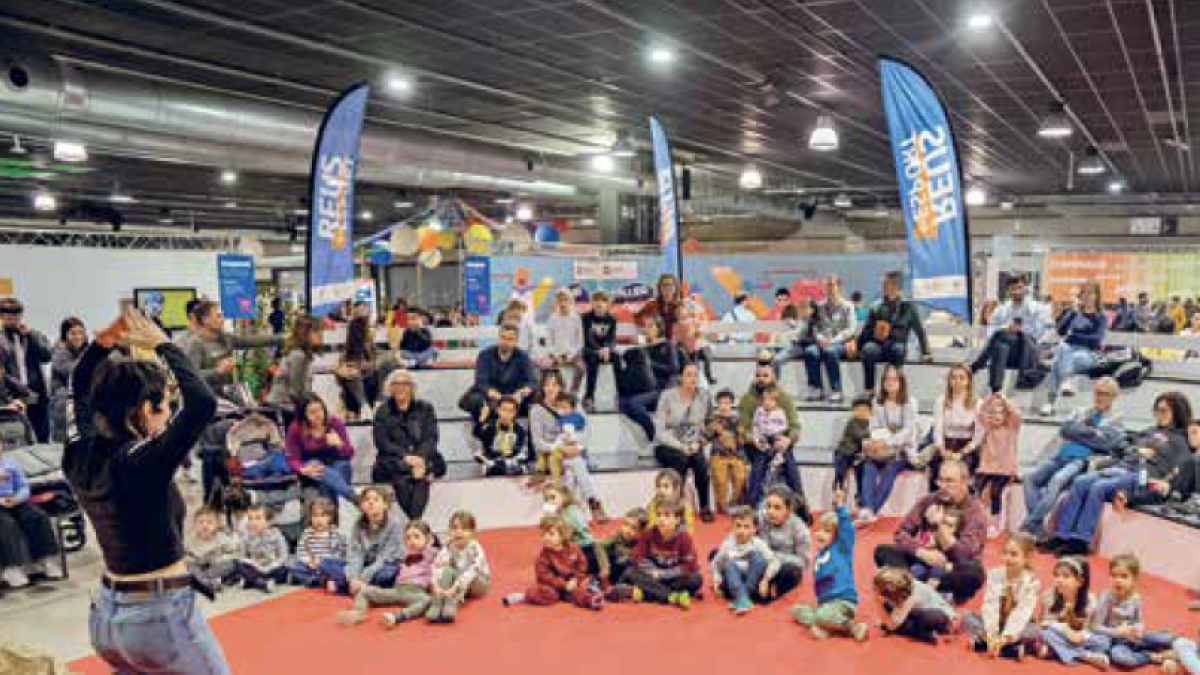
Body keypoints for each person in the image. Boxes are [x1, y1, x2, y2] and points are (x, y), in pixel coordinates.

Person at [64, 308, 228, 673]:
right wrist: (164, 345)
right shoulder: (142, 463)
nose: (168, 415)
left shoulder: (77, 452)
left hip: (107, 620)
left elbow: (78, 383)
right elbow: (202, 403)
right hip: (159, 619)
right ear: (143, 408)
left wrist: (102, 344)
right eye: (165, 406)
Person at [1045, 392, 1193, 556]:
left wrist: (1165, 482)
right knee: (1081, 481)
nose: (1159, 414)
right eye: (1157, 410)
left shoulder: (1180, 440)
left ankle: (1080, 541)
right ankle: (1061, 536)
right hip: (1122, 468)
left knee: (1099, 488)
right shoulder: (1148, 431)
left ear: (1177, 412)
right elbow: (1124, 447)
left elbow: (1180, 471)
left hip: (1142, 478)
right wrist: (1134, 450)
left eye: (1164, 411)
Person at [874, 459, 988, 605]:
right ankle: (913, 587)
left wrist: (939, 526)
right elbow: (901, 533)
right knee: (883, 551)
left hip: (951, 567)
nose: (943, 486)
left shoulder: (975, 511)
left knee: (974, 573)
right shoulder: (928, 500)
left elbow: (963, 553)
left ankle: (916, 588)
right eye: (940, 480)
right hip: (923, 560)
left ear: (965, 482)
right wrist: (922, 553)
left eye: (950, 481)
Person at [1022, 377, 1124, 538]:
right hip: (1061, 455)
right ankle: (1037, 526)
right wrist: (1091, 433)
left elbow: (1106, 444)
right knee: (1029, 478)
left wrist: (1078, 432)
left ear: (1113, 396)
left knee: (1056, 481)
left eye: (1104, 394)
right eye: (1097, 393)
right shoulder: (1081, 411)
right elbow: (1065, 430)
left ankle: (1029, 524)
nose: (1099, 397)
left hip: (1081, 461)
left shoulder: (1116, 420)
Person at [792, 489, 869, 641]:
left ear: (837, 537)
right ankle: (825, 626)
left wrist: (840, 505)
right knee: (797, 611)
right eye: (819, 530)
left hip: (843, 604)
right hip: (825, 604)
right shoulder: (819, 556)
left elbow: (846, 529)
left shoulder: (841, 549)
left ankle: (853, 627)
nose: (820, 534)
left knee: (821, 615)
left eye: (827, 531)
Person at [338, 519, 439, 626]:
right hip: (397, 590)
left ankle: (398, 616)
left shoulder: (430, 553)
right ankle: (358, 613)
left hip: (415, 592)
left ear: (428, 539)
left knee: (427, 600)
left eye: (416, 536)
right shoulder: (405, 554)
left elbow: (445, 554)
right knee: (365, 591)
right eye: (408, 538)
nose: (412, 541)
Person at [372, 369, 443, 519]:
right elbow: (381, 442)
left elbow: (431, 437)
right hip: (393, 459)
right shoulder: (382, 411)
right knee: (401, 478)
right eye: (396, 384)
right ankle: (416, 524)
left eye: (405, 384)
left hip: (422, 458)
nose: (400, 387)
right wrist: (406, 457)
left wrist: (420, 459)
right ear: (390, 388)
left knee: (421, 477)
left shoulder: (425, 408)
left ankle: (414, 526)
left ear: (412, 388)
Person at [1092, 553, 1180, 669]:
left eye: (1124, 576)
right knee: (1121, 658)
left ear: (1134, 579)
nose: (1118, 580)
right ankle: (1152, 656)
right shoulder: (1106, 597)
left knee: (1164, 638)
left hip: (1134, 638)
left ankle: (1181, 647)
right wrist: (1116, 632)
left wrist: (1138, 629)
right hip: (1116, 642)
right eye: (1114, 575)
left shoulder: (1135, 597)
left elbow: (1139, 621)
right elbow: (1095, 627)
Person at [184, 299, 282, 402]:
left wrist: (285, 338)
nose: (223, 319)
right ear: (205, 320)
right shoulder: (195, 343)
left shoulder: (225, 338)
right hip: (207, 400)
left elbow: (253, 341)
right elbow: (190, 377)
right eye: (218, 316)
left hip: (227, 397)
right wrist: (217, 371)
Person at [962, 533, 1040, 660]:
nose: (1007, 558)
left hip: (1017, 626)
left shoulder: (1031, 582)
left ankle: (983, 644)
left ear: (1027, 557)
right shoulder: (995, 574)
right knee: (968, 618)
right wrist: (992, 634)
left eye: (1014, 554)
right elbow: (990, 605)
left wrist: (1005, 638)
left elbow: (1022, 613)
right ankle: (1009, 650)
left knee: (1035, 630)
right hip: (995, 623)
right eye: (1005, 553)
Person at [502, 515, 604, 611]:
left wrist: (576, 579)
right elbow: (545, 577)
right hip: (552, 585)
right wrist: (563, 584)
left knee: (579, 592)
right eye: (543, 534)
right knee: (549, 595)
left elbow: (582, 565)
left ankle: (591, 600)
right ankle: (524, 596)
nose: (546, 537)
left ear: (562, 535)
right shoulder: (542, 558)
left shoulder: (574, 549)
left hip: (572, 582)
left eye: (551, 534)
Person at [653, 362, 714, 522]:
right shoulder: (667, 396)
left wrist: (699, 443)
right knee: (681, 458)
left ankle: (705, 506)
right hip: (667, 444)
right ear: (680, 377)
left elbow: (710, 424)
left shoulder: (704, 396)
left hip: (693, 443)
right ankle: (677, 507)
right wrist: (681, 446)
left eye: (695, 375)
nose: (693, 379)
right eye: (689, 375)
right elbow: (659, 432)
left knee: (700, 461)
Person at [859, 365, 918, 522]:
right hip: (882, 449)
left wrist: (886, 442)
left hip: (903, 449)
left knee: (890, 469)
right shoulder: (878, 402)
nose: (890, 383)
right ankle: (866, 508)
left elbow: (908, 432)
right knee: (868, 465)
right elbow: (873, 427)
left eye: (894, 379)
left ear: (901, 382)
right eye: (887, 379)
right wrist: (876, 442)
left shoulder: (909, 403)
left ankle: (872, 509)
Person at [971, 275, 1050, 394]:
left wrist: (1021, 330)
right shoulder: (1001, 309)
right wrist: (1006, 328)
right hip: (1007, 355)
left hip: (1026, 353)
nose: (1016, 291)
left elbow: (1039, 333)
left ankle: (976, 366)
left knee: (1002, 337)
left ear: (1026, 289)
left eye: (1019, 287)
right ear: (1009, 290)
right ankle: (996, 390)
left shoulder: (1037, 308)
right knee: (1000, 345)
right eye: (1013, 288)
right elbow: (990, 332)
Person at [857, 271, 932, 394]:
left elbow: (919, 330)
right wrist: (858, 346)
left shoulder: (908, 307)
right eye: (883, 284)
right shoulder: (877, 306)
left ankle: (895, 389)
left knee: (898, 349)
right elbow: (867, 329)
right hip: (879, 345)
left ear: (896, 286)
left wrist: (926, 352)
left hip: (897, 344)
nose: (883, 287)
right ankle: (869, 389)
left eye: (886, 284)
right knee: (868, 349)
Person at [739, 364, 802, 507]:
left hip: (779, 441)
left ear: (773, 377)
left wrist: (788, 439)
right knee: (759, 463)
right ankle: (751, 505)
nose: (761, 379)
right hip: (755, 444)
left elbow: (795, 426)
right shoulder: (746, 400)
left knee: (789, 463)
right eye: (758, 375)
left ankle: (801, 505)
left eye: (765, 375)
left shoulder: (784, 398)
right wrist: (753, 439)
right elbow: (742, 428)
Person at [622, 498, 702, 609]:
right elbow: (637, 557)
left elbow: (689, 565)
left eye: (667, 515)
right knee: (630, 572)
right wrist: (652, 571)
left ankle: (648, 593)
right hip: (652, 575)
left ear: (677, 519)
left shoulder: (684, 538)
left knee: (695, 579)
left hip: (671, 578)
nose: (661, 519)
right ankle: (671, 596)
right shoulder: (649, 533)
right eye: (658, 515)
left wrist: (663, 574)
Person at [0, 435, 58, 587]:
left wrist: (17, 498)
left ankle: (45, 560)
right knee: (7, 524)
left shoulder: (11, 464)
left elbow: (24, 486)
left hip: (15, 500)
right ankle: (11, 568)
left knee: (38, 517)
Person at [1042, 281, 1107, 416]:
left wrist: (1074, 337)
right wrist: (1072, 313)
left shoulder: (1099, 317)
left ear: (1097, 296)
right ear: (1080, 296)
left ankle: (1050, 402)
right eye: (1085, 293)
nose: (1088, 296)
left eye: (1091, 293)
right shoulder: (1073, 313)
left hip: (1088, 354)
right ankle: (1066, 382)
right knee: (1061, 352)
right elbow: (1060, 331)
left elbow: (1096, 340)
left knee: (1058, 360)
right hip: (1068, 351)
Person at [324, 486, 402, 595]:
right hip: (364, 564)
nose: (371, 502)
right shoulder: (358, 524)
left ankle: (344, 586)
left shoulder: (394, 524)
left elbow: (385, 557)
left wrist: (363, 577)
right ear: (362, 505)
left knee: (388, 574)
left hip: (384, 564)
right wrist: (353, 578)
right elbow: (356, 554)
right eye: (367, 500)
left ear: (385, 505)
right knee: (326, 563)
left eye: (376, 499)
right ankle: (361, 587)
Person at [616, 314, 684, 441]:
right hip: (645, 387)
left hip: (661, 390)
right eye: (645, 326)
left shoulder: (668, 345)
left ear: (659, 328)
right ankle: (650, 428)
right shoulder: (644, 348)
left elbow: (674, 369)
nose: (646, 329)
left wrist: (649, 363)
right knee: (622, 403)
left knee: (633, 403)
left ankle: (652, 430)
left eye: (650, 326)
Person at [284, 394, 356, 504]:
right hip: (312, 468)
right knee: (316, 464)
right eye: (312, 412)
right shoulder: (296, 429)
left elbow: (349, 454)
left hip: (336, 464)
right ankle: (352, 496)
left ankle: (332, 510)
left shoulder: (334, 423)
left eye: (320, 410)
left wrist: (339, 444)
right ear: (304, 415)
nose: (318, 415)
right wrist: (302, 469)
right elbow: (292, 458)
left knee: (343, 466)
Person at [1037, 556, 1107, 667]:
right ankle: (1083, 655)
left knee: (1104, 643)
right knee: (1045, 634)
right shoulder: (1049, 596)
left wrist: (1081, 635)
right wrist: (1065, 630)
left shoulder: (1090, 600)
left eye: (1066, 576)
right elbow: (1044, 624)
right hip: (1058, 634)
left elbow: (1091, 628)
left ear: (1080, 581)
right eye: (1057, 575)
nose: (1059, 580)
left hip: (1079, 638)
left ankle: (1060, 651)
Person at [458, 323, 535, 421]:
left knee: (535, 396)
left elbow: (532, 382)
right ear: (498, 337)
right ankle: (486, 422)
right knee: (475, 399)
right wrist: (500, 398)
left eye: (510, 339)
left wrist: (520, 394)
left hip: (514, 396)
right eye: (502, 337)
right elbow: (481, 382)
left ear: (516, 342)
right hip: (491, 396)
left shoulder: (523, 357)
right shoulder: (485, 355)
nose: (505, 342)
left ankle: (508, 417)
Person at [0, 298, 52, 441]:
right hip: (14, 397)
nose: (14, 321)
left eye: (17, 316)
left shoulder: (33, 334)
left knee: (42, 437)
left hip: (36, 394)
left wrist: (31, 335)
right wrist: (8, 398)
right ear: (2, 317)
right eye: (9, 317)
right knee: (17, 440)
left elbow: (47, 356)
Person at [711, 506, 779, 614]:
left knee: (759, 559)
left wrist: (766, 579)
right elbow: (716, 564)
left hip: (753, 580)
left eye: (746, 527)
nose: (742, 531)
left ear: (754, 529)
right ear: (732, 527)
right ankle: (743, 598)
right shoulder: (727, 544)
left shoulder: (758, 543)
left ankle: (742, 598)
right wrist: (716, 579)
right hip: (733, 581)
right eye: (738, 526)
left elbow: (774, 561)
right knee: (728, 564)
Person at [427, 510, 491, 623]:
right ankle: (437, 603)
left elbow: (471, 572)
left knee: (462, 572)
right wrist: (436, 586)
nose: (459, 532)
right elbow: (437, 566)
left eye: (464, 529)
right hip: (457, 579)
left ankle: (451, 603)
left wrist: (454, 588)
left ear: (472, 532)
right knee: (446, 570)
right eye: (455, 528)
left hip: (477, 583)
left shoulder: (475, 548)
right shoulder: (448, 546)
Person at [925, 364, 979, 491]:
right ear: (949, 381)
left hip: (966, 447)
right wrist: (942, 450)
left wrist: (961, 453)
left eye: (962, 378)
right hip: (946, 444)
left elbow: (978, 436)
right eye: (954, 378)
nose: (957, 381)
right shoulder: (941, 401)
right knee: (937, 468)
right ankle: (936, 505)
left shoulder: (977, 403)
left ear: (968, 381)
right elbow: (937, 430)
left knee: (964, 469)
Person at [974, 393, 1022, 537]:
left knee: (995, 492)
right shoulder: (988, 427)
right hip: (987, 467)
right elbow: (980, 412)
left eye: (1000, 413)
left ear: (1006, 415)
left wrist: (1004, 399)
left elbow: (1017, 414)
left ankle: (994, 524)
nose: (996, 416)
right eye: (993, 413)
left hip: (1004, 469)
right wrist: (990, 399)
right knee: (976, 490)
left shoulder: (1012, 428)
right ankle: (976, 519)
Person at [805, 276, 858, 403]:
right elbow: (815, 327)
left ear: (839, 287)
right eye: (827, 285)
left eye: (832, 285)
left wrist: (833, 341)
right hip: (822, 342)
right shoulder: (819, 306)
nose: (829, 288)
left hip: (841, 343)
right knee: (810, 351)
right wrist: (820, 338)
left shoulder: (848, 306)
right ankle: (817, 388)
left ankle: (836, 390)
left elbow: (851, 329)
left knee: (830, 351)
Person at [872, 566, 957, 644]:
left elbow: (891, 626)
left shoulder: (908, 596)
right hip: (918, 609)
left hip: (939, 615)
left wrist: (877, 601)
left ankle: (926, 634)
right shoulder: (905, 585)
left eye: (876, 589)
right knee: (888, 609)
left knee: (899, 624)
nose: (874, 590)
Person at [542, 482, 608, 579]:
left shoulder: (572, 512)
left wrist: (551, 519)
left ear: (564, 496)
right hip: (573, 548)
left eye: (553, 497)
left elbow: (566, 535)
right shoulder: (561, 511)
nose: (549, 501)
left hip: (585, 549)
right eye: (546, 499)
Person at [755, 486, 809, 602]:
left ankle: (771, 589)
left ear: (788, 511)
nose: (770, 511)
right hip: (763, 561)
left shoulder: (800, 528)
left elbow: (804, 562)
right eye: (768, 506)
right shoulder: (761, 518)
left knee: (791, 571)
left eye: (777, 508)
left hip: (785, 566)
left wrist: (775, 556)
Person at [266, 315, 323, 414]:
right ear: (304, 334)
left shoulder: (299, 353)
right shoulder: (298, 356)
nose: (320, 334)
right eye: (316, 331)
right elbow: (297, 391)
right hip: (284, 409)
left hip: (285, 407)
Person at [706, 388, 747, 514]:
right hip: (718, 455)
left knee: (740, 478)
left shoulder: (737, 420)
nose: (724, 406)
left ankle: (733, 504)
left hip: (735, 455)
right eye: (721, 403)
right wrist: (712, 430)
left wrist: (742, 457)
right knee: (720, 481)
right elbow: (706, 437)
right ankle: (721, 508)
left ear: (731, 404)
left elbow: (742, 440)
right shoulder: (712, 420)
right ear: (717, 404)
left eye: (727, 403)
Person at [289, 499, 346, 588]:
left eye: (323, 516)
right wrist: (309, 562)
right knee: (296, 566)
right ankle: (318, 580)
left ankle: (322, 579)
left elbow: (341, 553)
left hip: (327, 565)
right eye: (315, 516)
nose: (319, 519)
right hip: (311, 566)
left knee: (340, 569)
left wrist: (322, 562)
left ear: (330, 517)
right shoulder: (307, 533)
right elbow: (301, 551)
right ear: (310, 517)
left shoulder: (336, 533)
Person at [49, 316, 87, 442]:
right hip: (63, 407)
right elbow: (75, 373)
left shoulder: (85, 351)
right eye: (73, 333)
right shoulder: (59, 352)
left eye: (81, 332)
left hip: (81, 406)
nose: (78, 336)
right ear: (65, 335)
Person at [235, 504, 289, 593]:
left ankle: (251, 582)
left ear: (268, 522)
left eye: (258, 518)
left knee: (284, 570)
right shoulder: (246, 535)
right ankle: (260, 583)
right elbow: (241, 556)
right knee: (238, 565)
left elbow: (284, 555)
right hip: (256, 567)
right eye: (250, 519)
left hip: (272, 567)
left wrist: (273, 565)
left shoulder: (276, 534)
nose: (253, 522)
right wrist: (254, 563)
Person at [336, 315, 381, 420]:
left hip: (371, 389)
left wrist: (365, 366)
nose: (372, 330)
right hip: (354, 394)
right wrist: (343, 371)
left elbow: (379, 364)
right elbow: (339, 379)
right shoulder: (346, 353)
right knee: (351, 375)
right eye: (369, 328)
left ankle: (370, 406)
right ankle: (364, 407)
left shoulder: (373, 349)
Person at [185, 507, 240, 590]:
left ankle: (203, 580)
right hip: (198, 565)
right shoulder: (190, 540)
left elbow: (233, 550)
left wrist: (224, 556)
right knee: (188, 566)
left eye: (209, 522)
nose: (205, 525)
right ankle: (207, 582)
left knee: (232, 563)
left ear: (216, 525)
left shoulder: (221, 538)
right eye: (200, 522)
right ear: (195, 525)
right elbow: (186, 555)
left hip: (215, 567)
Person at [580, 290, 618, 411]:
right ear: (592, 303)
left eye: (603, 301)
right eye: (596, 300)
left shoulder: (612, 319)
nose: (599, 304)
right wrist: (598, 350)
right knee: (592, 360)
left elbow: (612, 339)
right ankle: (589, 397)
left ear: (607, 304)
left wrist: (607, 348)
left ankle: (620, 395)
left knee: (617, 358)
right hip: (590, 350)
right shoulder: (585, 318)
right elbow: (587, 338)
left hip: (605, 350)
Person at [473, 396, 529, 476]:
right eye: (504, 410)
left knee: (519, 463)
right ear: (498, 410)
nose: (506, 414)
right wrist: (481, 420)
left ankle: (506, 468)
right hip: (493, 461)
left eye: (510, 411)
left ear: (515, 413)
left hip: (512, 461)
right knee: (485, 460)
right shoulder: (490, 427)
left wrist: (512, 458)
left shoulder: (519, 429)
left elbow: (521, 449)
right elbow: (476, 433)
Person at [542, 288, 585, 392]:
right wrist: (556, 356)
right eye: (560, 300)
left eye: (565, 300)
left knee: (581, 368)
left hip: (572, 354)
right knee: (545, 367)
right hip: (555, 353)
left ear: (570, 301)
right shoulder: (552, 318)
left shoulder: (576, 318)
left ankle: (573, 392)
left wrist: (570, 355)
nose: (563, 303)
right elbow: (549, 340)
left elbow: (579, 341)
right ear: (556, 302)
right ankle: (556, 391)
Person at [833, 395, 871, 500]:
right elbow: (860, 436)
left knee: (862, 472)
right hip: (844, 452)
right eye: (858, 409)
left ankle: (860, 496)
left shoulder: (872, 423)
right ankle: (838, 493)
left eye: (865, 410)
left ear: (870, 411)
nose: (861, 412)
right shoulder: (852, 423)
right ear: (854, 411)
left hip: (858, 455)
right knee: (840, 472)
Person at [600, 508, 646, 593]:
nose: (628, 530)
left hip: (625, 573)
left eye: (634, 528)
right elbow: (599, 545)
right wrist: (604, 566)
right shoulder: (617, 536)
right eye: (626, 525)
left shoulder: (642, 543)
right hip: (610, 569)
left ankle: (621, 588)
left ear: (641, 532)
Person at [636, 273, 684, 344]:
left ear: (675, 288)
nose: (667, 288)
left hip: (676, 343)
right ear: (659, 288)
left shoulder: (682, 305)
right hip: (656, 342)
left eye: (670, 285)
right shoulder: (651, 305)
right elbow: (638, 318)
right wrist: (647, 323)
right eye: (664, 285)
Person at [647, 468, 697, 535]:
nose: (661, 490)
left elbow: (689, 529)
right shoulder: (653, 505)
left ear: (676, 488)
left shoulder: (685, 506)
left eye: (666, 486)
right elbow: (651, 526)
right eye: (658, 486)